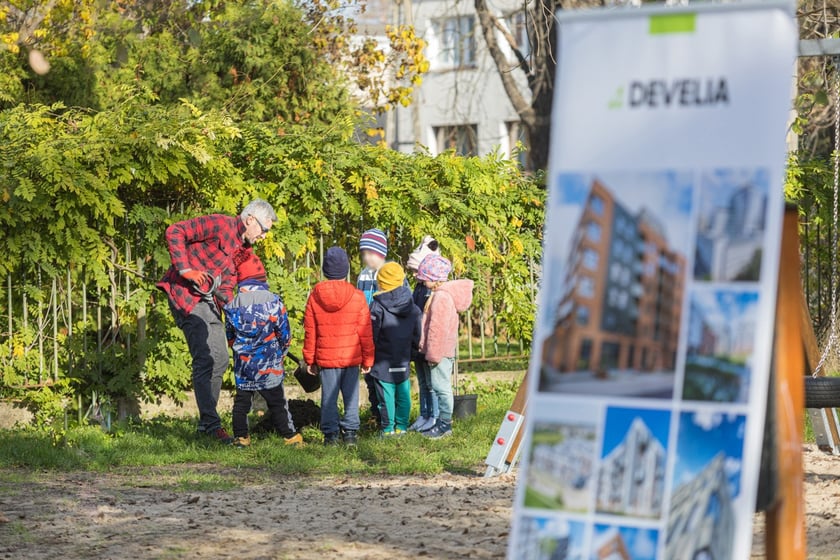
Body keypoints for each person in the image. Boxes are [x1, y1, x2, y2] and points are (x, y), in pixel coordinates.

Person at [157, 199, 277, 443]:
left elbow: (227, 287)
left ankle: (207, 426)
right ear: (250, 220)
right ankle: (210, 427)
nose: (265, 236)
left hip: (208, 301)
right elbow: (175, 231)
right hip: (186, 297)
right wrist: (185, 270)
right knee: (206, 357)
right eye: (264, 230)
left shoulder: (243, 251)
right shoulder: (219, 224)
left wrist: (239, 322)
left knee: (221, 358)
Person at [224, 249, 303, 448]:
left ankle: (241, 438)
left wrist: (240, 351)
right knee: (277, 402)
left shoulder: (232, 305)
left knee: (242, 403)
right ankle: (290, 437)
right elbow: (284, 332)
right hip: (269, 363)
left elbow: (230, 337)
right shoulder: (273, 302)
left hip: (244, 365)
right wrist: (283, 351)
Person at [304, 246, 375, 446]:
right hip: (351, 357)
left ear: (325, 271)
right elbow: (365, 332)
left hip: (326, 359)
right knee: (351, 396)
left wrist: (310, 358)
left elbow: (311, 331)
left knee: (329, 397)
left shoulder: (315, 296)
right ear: (346, 270)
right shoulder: (357, 296)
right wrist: (368, 358)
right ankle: (350, 434)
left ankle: (331, 435)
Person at [416, 254, 474, 439]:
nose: (421, 280)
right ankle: (442, 422)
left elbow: (437, 329)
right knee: (440, 386)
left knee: (441, 387)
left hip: (439, 351)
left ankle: (444, 424)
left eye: (424, 277)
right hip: (442, 350)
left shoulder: (441, 297)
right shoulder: (440, 295)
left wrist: (432, 353)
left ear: (434, 278)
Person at [368, 263, 422, 436]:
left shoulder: (377, 305)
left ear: (381, 282)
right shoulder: (412, 306)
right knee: (403, 394)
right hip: (403, 358)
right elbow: (417, 333)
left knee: (386, 397)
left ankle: (388, 428)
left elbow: (372, 333)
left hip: (382, 360)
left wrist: (369, 356)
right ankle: (402, 427)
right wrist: (412, 354)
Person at [406, 236, 442, 433]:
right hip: (417, 341)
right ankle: (424, 413)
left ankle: (434, 416)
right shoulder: (419, 288)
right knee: (422, 381)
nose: (413, 275)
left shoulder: (435, 291)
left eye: (415, 271)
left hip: (428, 342)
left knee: (431, 382)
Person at [356, 228, 389, 427]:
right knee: (369, 375)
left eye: (371, 253)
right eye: (364, 253)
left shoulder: (390, 273)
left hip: (385, 332)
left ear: (381, 252)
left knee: (383, 376)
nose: (367, 257)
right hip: (367, 332)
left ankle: (388, 414)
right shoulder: (363, 276)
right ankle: (375, 412)